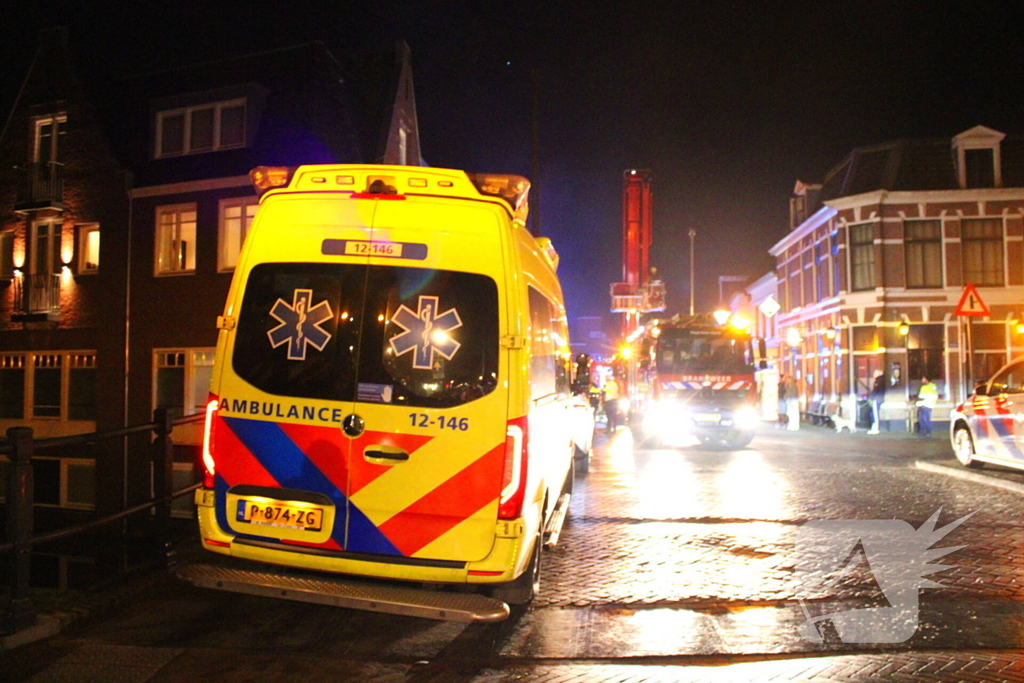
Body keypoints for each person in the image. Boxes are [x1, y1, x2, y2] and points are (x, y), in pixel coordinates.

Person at [868, 370, 886, 434]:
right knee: (873, 413)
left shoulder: (878, 381)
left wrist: (871, 398)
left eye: (875, 373)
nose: (873, 375)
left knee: (874, 414)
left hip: (877, 400)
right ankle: (874, 427)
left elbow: (875, 391)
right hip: (878, 399)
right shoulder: (881, 381)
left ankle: (875, 429)